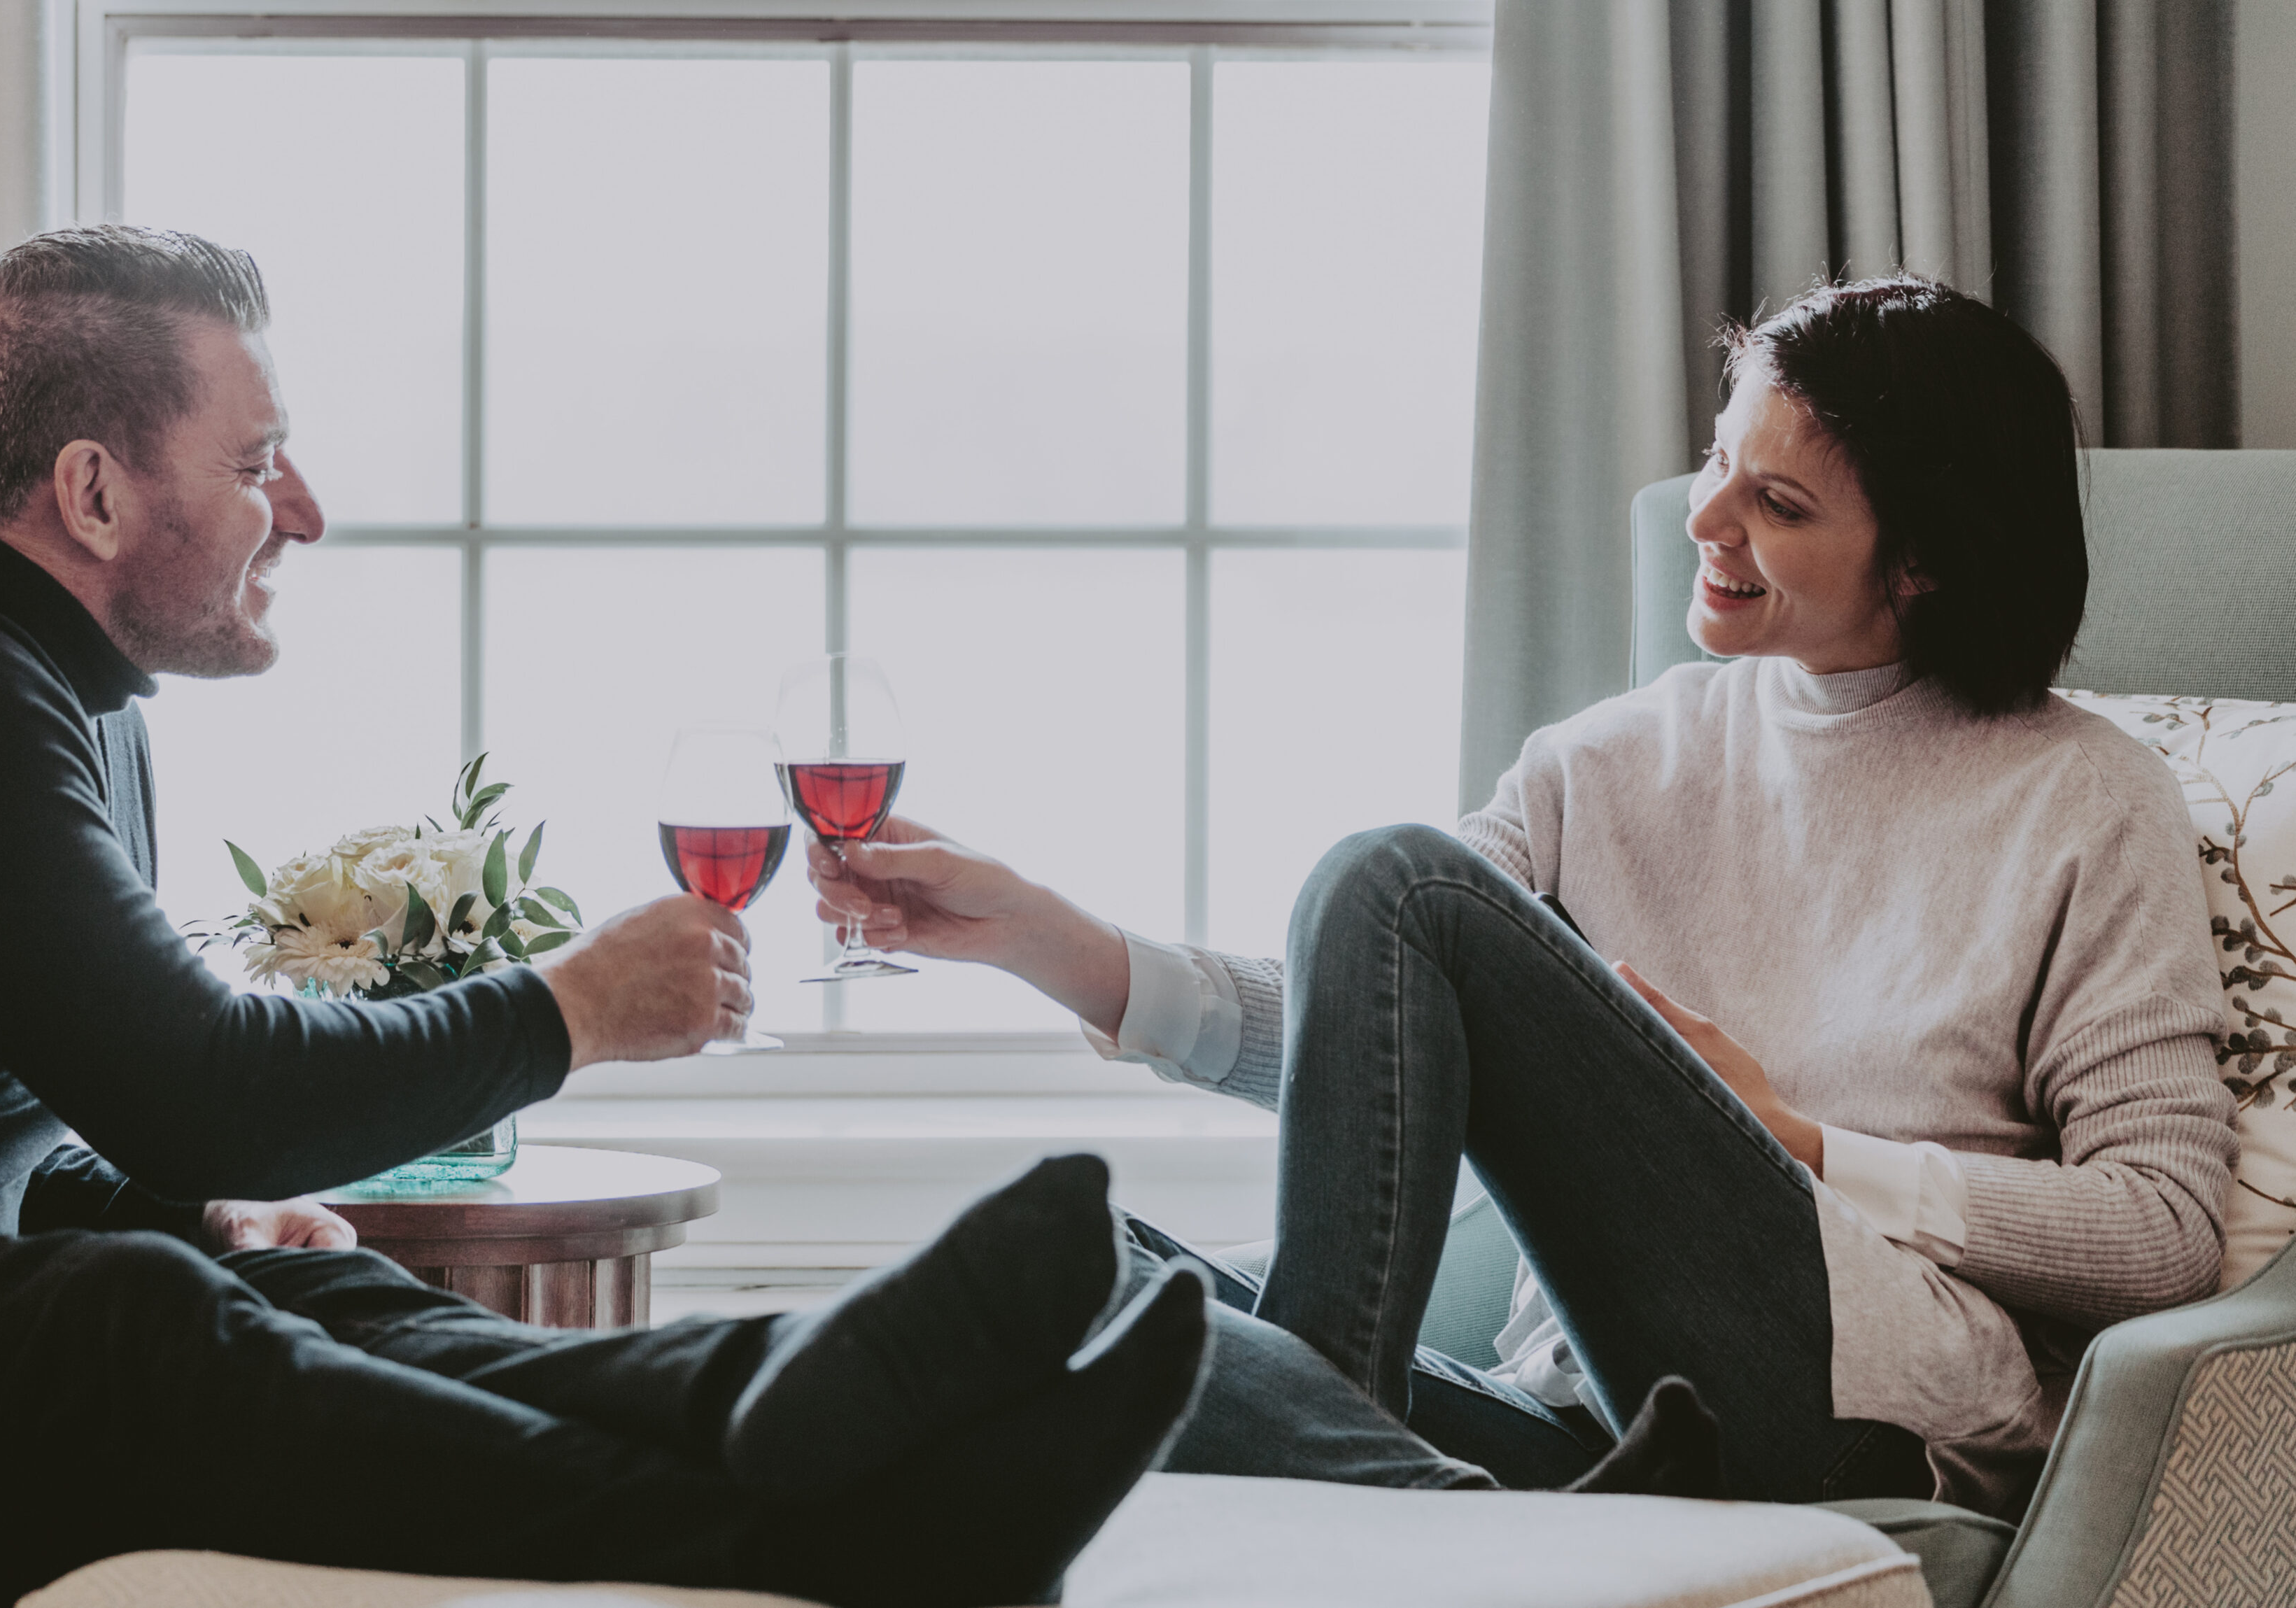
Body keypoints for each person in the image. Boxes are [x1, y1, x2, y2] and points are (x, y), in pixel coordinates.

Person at [0, 225, 1224, 1608]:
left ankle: (801, 1386)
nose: (306, 508)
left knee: (313, 1287)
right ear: (90, 490)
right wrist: (571, 1007)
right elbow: (195, 1079)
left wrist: (201, 1198)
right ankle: (852, 1538)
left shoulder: (27, 682)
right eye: (261, 457)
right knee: (130, 1323)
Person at [805, 275, 2237, 1517]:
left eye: (1778, 502)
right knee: (1065, 1270)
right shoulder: (1607, 763)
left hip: (1850, 1404)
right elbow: (1370, 1039)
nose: (1706, 516)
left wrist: (1799, 1142)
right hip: (1586, 1424)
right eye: (1718, 460)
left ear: (1924, 562)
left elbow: (2163, 1229)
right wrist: (1050, 943)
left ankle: (1337, 1493)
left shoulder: (2084, 796)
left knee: (1396, 874)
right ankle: (1427, 1498)